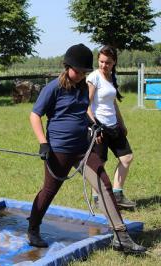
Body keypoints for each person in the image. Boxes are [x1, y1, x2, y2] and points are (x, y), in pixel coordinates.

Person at [28, 43, 146, 254]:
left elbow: (83, 111)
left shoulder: (83, 87)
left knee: (104, 185)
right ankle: (33, 228)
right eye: (78, 71)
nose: (82, 75)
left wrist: (93, 124)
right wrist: (43, 143)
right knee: (49, 191)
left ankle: (121, 236)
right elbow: (35, 115)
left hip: (84, 148)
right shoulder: (54, 88)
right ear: (67, 66)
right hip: (59, 150)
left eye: (84, 72)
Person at [86, 45, 135, 209]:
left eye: (107, 62)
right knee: (99, 163)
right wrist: (94, 125)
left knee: (126, 158)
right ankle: (98, 199)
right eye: (101, 61)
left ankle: (118, 194)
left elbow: (113, 103)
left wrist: (122, 123)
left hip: (114, 125)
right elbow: (86, 104)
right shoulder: (94, 77)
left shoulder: (111, 77)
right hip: (99, 126)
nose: (103, 65)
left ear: (114, 62)